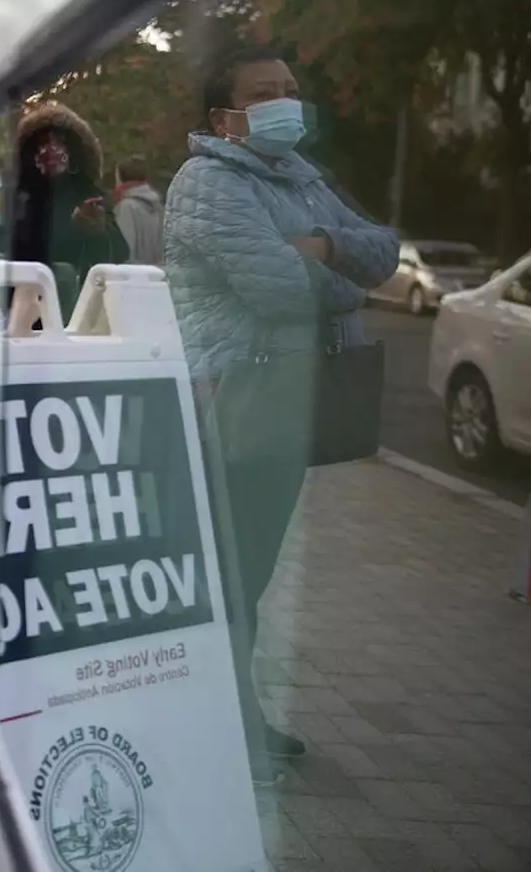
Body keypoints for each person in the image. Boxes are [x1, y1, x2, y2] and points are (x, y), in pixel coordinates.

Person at [163, 45, 397, 778]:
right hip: (235, 400)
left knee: (249, 570)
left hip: (283, 400)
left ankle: (229, 713)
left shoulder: (302, 177)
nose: (284, 101)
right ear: (224, 117)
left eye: (290, 88)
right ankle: (215, 719)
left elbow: (384, 250)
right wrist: (344, 279)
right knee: (231, 572)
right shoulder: (207, 181)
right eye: (265, 92)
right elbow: (279, 287)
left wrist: (324, 243)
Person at [0, 102, 130, 320]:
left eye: (59, 141)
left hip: (77, 313)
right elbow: (3, 249)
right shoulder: (19, 196)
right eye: (42, 141)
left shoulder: (88, 192)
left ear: (74, 150)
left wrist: (97, 231)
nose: (50, 148)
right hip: (25, 312)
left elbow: (119, 252)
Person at [112, 155, 165, 266]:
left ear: (120, 178)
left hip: (134, 277)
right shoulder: (159, 207)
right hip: (158, 276)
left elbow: (124, 252)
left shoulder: (126, 208)